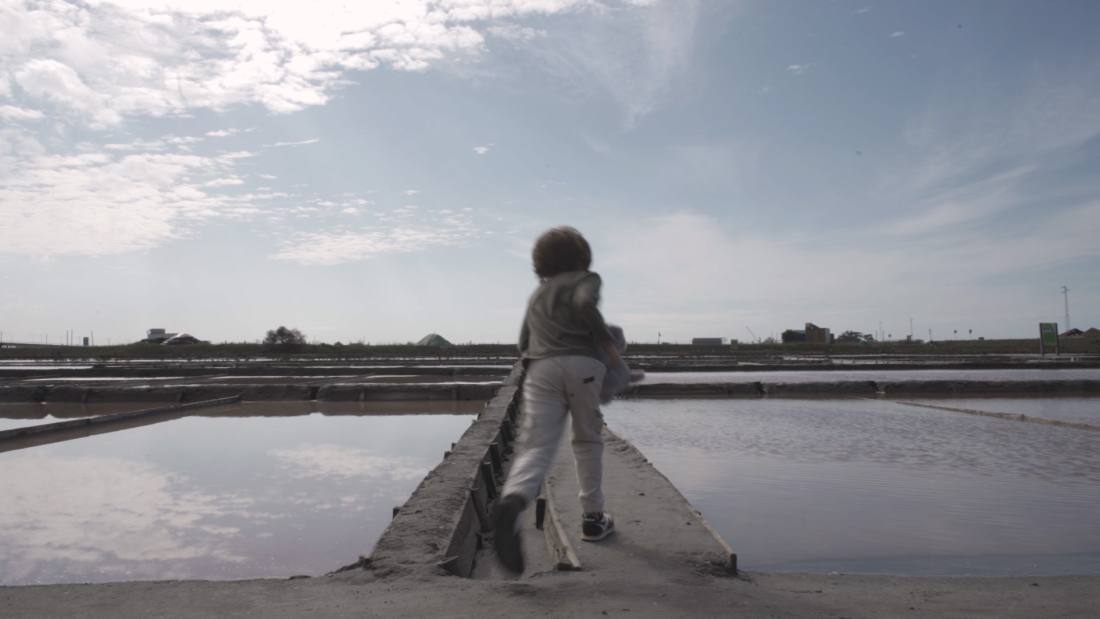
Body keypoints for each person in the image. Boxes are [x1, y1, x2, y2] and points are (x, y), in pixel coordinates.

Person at [493, 226, 620, 574]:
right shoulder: (586, 279)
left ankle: (513, 499)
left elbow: (523, 342)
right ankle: (593, 518)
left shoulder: (538, 294)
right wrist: (607, 344)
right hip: (583, 364)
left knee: (535, 444)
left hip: (541, 368)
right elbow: (584, 305)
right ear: (582, 257)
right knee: (586, 438)